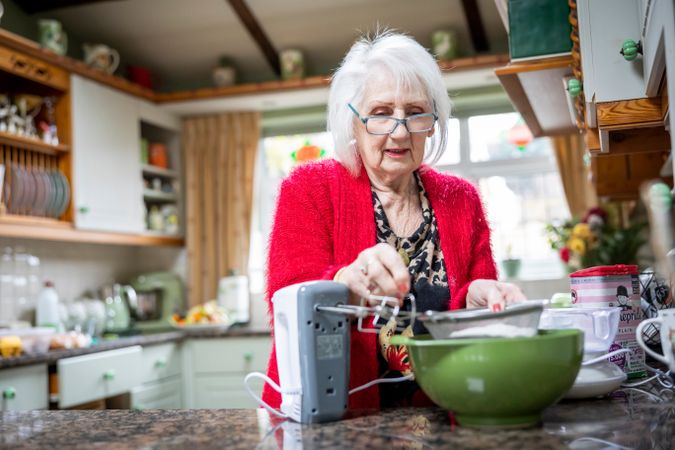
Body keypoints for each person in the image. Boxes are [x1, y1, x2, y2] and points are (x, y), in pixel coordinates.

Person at [262, 30, 526, 410]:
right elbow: (286, 301)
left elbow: (477, 320)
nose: (400, 131)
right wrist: (345, 284)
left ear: (433, 122)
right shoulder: (309, 189)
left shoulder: (461, 199)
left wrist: (477, 298)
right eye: (381, 114)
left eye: (416, 113)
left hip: (439, 416)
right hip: (331, 420)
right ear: (352, 121)